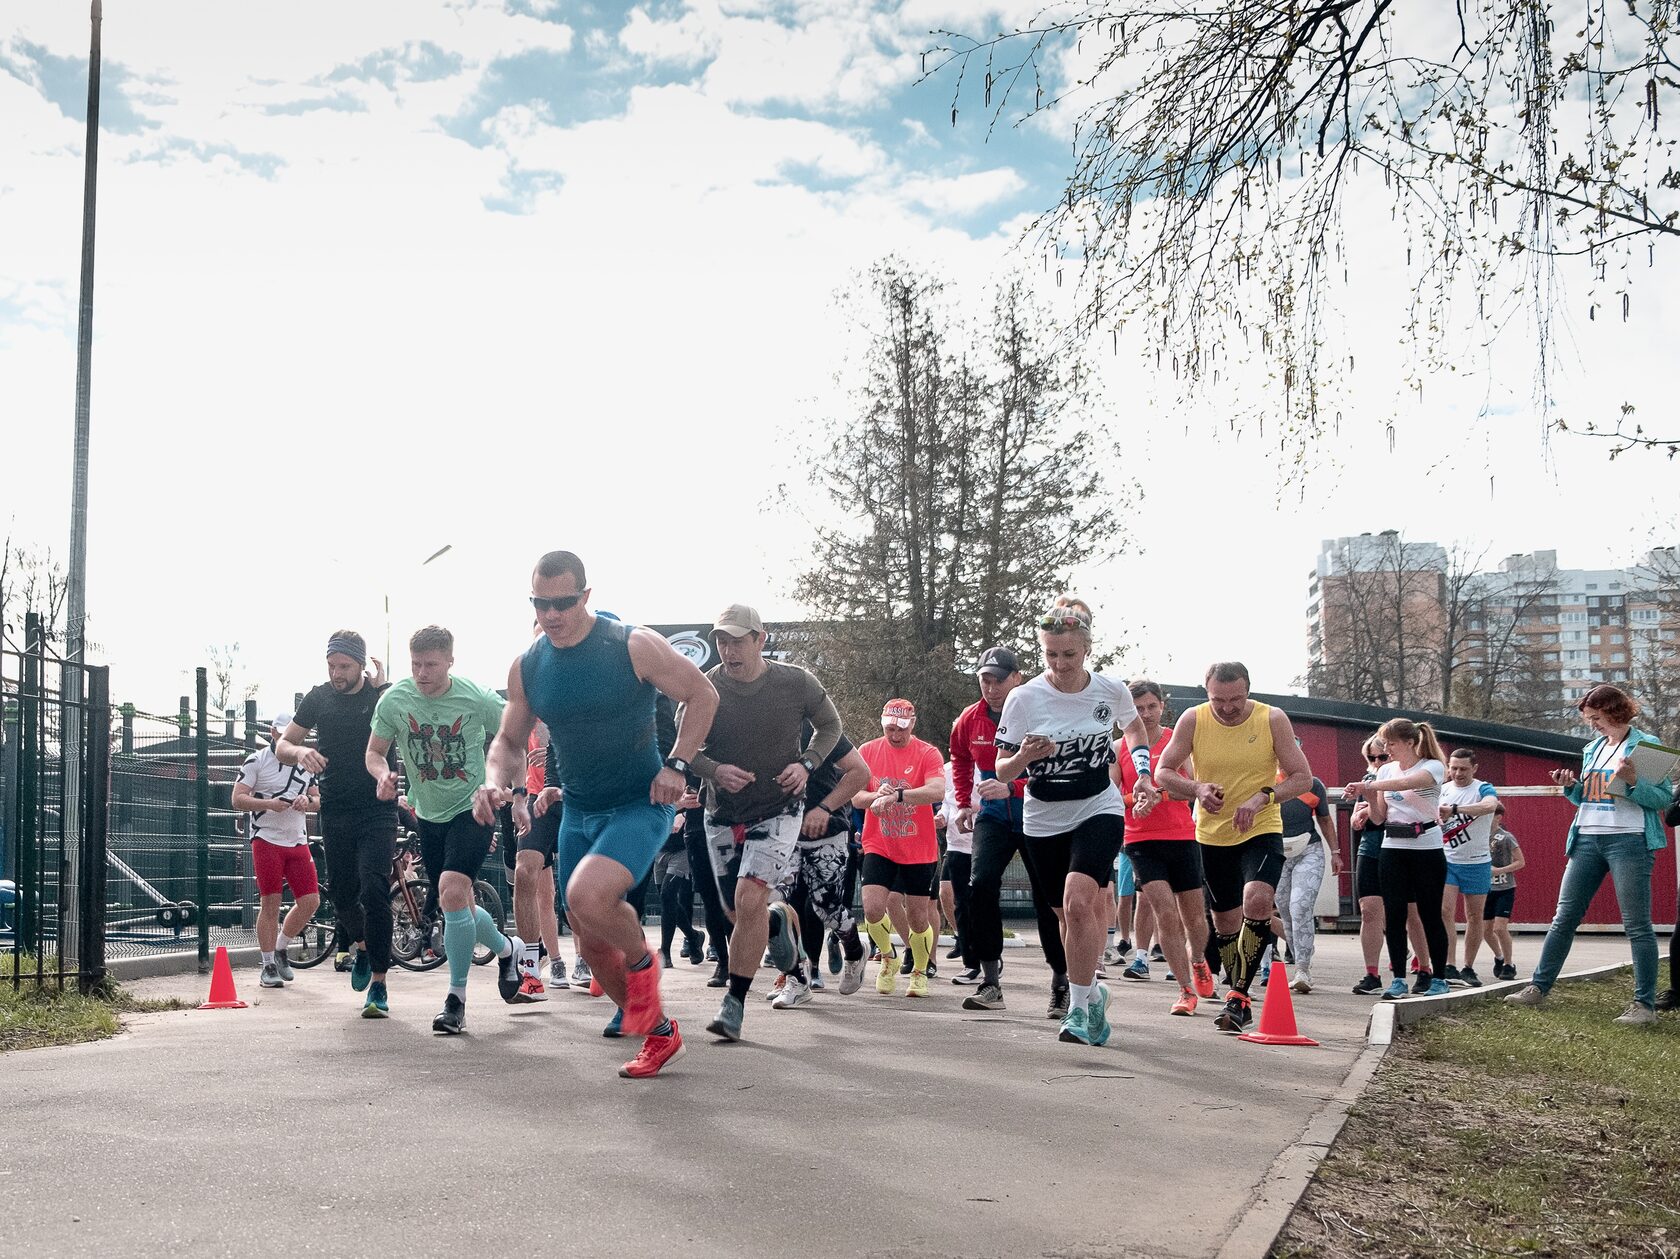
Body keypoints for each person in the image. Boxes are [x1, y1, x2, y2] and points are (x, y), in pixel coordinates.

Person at [476, 551, 718, 1078]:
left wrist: (677, 765)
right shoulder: (530, 665)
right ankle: (659, 1032)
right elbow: (508, 740)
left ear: (586, 596)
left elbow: (702, 694)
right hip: (578, 810)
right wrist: (497, 783)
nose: (552, 613)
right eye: (542, 603)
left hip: (639, 802)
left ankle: (643, 969)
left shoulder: (631, 643)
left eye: (563, 602)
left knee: (589, 895)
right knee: (585, 935)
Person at [993, 598, 1158, 1047]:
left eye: (1069, 654)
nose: (1060, 664)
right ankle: (1093, 993)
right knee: (1066, 917)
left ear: (1086, 649)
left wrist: (1142, 772)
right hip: (1044, 816)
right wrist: (1026, 755)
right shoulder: (1023, 698)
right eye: (1051, 654)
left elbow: (1135, 730)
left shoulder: (1110, 690)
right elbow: (1002, 770)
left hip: (1097, 807)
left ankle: (1079, 1008)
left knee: (1081, 901)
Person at [689, 604, 843, 1040]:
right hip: (721, 813)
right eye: (722, 640)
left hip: (779, 808)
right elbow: (685, 748)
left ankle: (733, 1006)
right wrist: (713, 770)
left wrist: (808, 764)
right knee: (740, 912)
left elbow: (830, 726)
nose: (729, 649)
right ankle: (786, 946)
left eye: (738, 640)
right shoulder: (705, 689)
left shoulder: (796, 682)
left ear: (760, 638)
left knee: (749, 895)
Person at [368, 626, 522, 1033]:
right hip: (429, 815)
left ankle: (456, 1000)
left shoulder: (475, 696)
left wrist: (516, 792)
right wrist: (382, 775)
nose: (422, 673)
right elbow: (374, 751)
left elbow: (513, 738)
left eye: (431, 665)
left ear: (450, 661)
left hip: (473, 808)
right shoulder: (395, 699)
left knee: (452, 891)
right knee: (461, 906)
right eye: (415, 664)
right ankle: (508, 949)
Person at [1155, 661, 1312, 1034]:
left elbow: (1303, 776)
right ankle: (1236, 987)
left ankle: (1238, 996)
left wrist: (1264, 797)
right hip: (1211, 834)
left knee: (1257, 900)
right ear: (1206, 693)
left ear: (1249, 691)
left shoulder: (1271, 719)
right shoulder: (1193, 720)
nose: (1227, 708)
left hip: (1260, 828)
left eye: (1236, 699)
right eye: (1218, 700)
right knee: (1225, 922)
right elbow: (1163, 772)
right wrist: (1197, 789)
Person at [1506, 684, 1670, 1026]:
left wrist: (1634, 781)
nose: (1592, 725)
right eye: (1589, 719)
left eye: (1596, 718)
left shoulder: (1648, 745)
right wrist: (1571, 787)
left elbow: (1662, 801)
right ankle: (1538, 987)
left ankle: (1644, 1007)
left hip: (1630, 842)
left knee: (1637, 925)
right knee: (1564, 917)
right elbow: (1589, 799)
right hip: (1587, 841)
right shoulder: (1593, 748)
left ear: (1615, 712)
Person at [277, 632, 399, 1018]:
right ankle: (361, 947)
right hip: (336, 810)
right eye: (331, 666)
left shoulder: (380, 697)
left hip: (377, 807)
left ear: (361, 665)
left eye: (344, 666)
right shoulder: (318, 698)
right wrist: (300, 751)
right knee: (344, 894)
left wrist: (386, 688)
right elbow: (283, 745)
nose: (336, 673)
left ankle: (378, 985)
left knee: (375, 888)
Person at [951, 646, 1071, 1016]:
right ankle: (990, 983)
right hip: (994, 816)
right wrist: (963, 802)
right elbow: (960, 758)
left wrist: (1013, 788)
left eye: (998, 679)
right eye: (984, 680)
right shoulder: (970, 719)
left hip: (1040, 813)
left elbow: (1060, 765)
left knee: (1048, 900)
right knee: (980, 884)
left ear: (1016, 678)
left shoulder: (1040, 712)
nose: (991, 687)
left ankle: (1061, 984)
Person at [1113, 680, 1217, 1015]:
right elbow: (1112, 795)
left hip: (1182, 836)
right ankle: (1186, 990)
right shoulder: (1118, 748)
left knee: (1195, 918)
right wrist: (1137, 799)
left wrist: (1161, 794)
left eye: (1150, 707)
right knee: (1164, 912)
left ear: (1161, 706)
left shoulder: (1177, 741)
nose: (1144, 714)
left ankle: (1198, 959)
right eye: (1137, 709)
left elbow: (1193, 789)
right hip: (1140, 840)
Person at [1344, 718, 1452, 1000]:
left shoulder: (1432, 766)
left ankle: (1438, 977)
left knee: (1430, 914)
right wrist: (1368, 794)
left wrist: (1371, 784)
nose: (1386, 749)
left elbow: (1408, 782)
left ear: (1409, 743)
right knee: (1394, 915)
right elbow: (1380, 817)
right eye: (1384, 743)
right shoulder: (1385, 771)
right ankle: (1399, 980)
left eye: (1391, 743)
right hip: (1393, 847)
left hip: (1426, 848)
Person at [853, 699, 946, 998]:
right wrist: (874, 798)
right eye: (890, 728)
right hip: (879, 843)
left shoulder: (927, 752)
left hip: (918, 847)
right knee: (872, 907)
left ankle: (920, 970)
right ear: (882, 724)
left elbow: (936, 790)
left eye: (901, 729)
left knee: (919, 918)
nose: (895, 735)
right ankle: (887, 958)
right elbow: (855, 796)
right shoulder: (867, 751)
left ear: (913, 723)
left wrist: (898, 796)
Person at [232, 712, 321, 990]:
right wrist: (269, 804)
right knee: (270, 902)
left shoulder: (306, 764)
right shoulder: (256, 761)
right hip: (266, 839)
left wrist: (307, 801)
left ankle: (282, 948)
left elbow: (318, 800)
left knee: (311, 901)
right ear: (272, 733)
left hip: (297, 839)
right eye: (283, 733)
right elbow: (237, 799)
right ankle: (268, 963)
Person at [505, 714, 566, 1000]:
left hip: (577, 795)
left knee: (578, 889)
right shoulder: (525, 705)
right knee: (524, 872)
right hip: (538, 796)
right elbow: (510, 748)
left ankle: (590, 959)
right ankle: (531, 972)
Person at [1275, 764, 1340, 995]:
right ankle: (1299, 956)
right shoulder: (1264, 780)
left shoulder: (1313, 784)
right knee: (1285, 910)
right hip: (1276, 851)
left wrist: (1335, 852)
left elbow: (1325, 819)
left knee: (1300, 906)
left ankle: (1303, 969)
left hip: (1308, 850)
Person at [1438, 748, 1499, 987]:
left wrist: (1455, 810)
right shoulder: (1443, 789)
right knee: (1445, 911)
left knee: (1475, 916)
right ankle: (1449, 965)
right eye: (1453, 768)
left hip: (1477, 862)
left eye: (1463, 769)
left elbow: (1490, 806)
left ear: (1474, 768)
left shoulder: (1483, 788)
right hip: (1448, 860)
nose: (1457, 773)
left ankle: (1468, 967)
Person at [1481, 804, 1525, 981]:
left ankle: (1509, 963)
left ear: (1499, 817)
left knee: (1500, 927)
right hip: (1486, 889)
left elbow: (1521, 862)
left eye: (1490, 815)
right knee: (1485, 931)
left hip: (1504, 888)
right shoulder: (1479, 836)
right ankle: (1499, 957)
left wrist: (1500, 870)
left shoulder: (1506, 837)